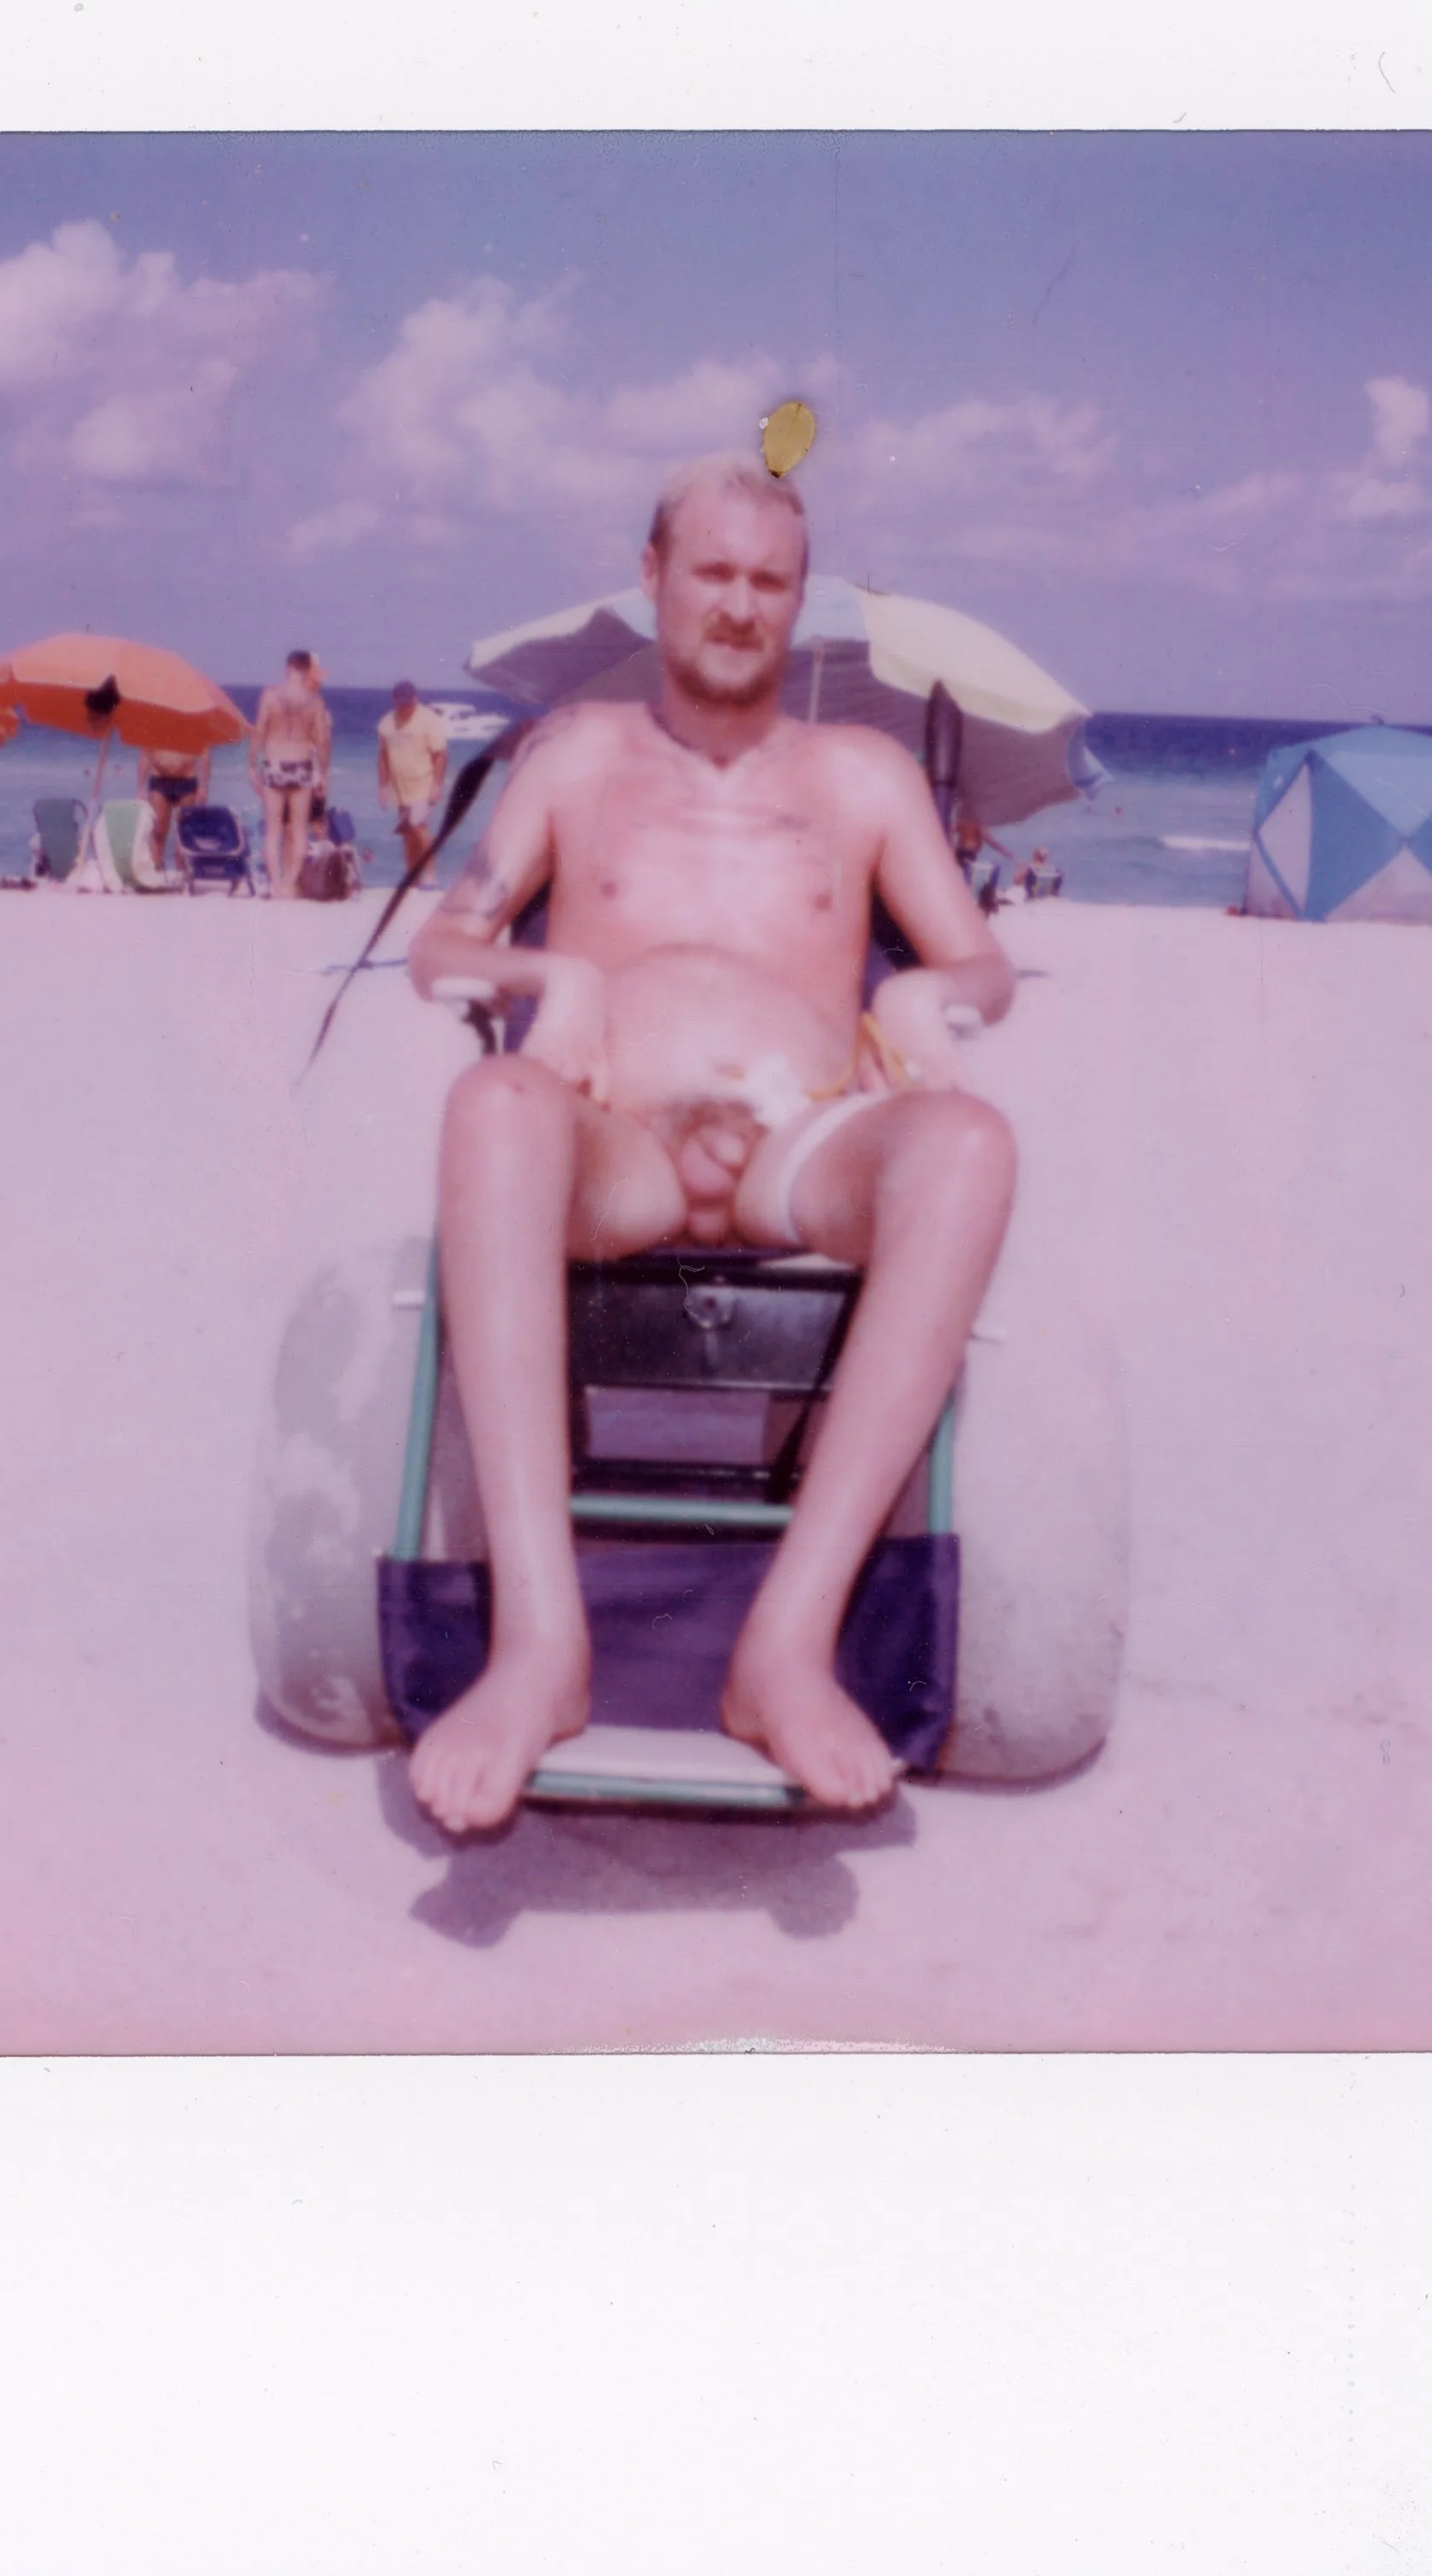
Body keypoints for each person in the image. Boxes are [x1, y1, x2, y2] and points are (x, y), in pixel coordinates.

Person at [404, 453, 1017, 1832]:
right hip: (614, 1141)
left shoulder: (859, 776)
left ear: (799, 602)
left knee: (969, 1140)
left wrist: (921, 988)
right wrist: (552, 984)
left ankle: (784, 1646)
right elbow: (446, 938)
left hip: (803, 1149)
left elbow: (985, 970)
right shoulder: (574, 758)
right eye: (713, 573)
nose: (739, 605)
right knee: (492, 1103)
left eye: (768, 581)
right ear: (653, 578)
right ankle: (538, 1648)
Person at [249, 650, 331, 897]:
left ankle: (275, 884)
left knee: (273, 831)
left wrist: (252, 764)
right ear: (307, 670)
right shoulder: (315, 702)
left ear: (288, 669)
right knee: (298, 831)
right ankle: (288, 883)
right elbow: (322, 741)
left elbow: (260, 730)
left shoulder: (270, 695)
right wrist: (323, 773)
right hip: (301, 765)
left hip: (275, 762)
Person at [377, 680, 449, 881]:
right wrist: (383, 786)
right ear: (394, 702)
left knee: (419, 826)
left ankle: (430, 875)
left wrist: (437, 784)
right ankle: (412, 877)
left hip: (423, 785)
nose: (406, 707)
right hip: (401, 789)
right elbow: (382, 756)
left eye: (409, 703)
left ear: (416, 699)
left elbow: (441, 754)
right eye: (402, 703)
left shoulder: (428, 720)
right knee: (408, 833)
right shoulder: (386, 724)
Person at [137, 744, 212, 886]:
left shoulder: (192, 723)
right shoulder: (156, 724)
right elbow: (145, 754)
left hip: (187, 780)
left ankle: (182, 874)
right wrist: (140, 786)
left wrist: (203, 786)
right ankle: (155, 872)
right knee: (158, 829)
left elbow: (205, 754)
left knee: (184, 832)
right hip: (159, 780)